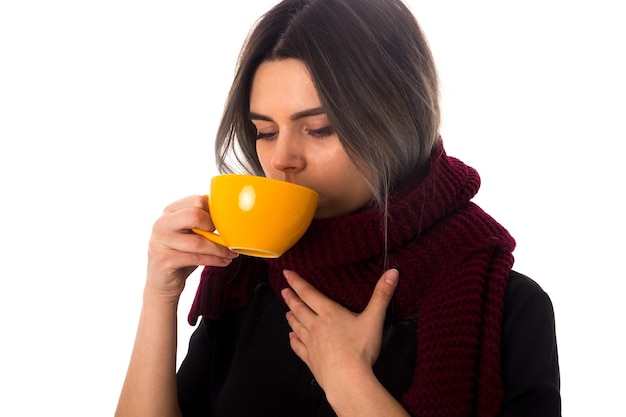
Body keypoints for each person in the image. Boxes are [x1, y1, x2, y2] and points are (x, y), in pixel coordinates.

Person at [115, 0, 561, 416]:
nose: (282, 158)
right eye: (265, 131)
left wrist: (349, 383)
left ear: (396, 119)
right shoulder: (244, 279)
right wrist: (160, 295)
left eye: (319, 128)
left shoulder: (506, 305)